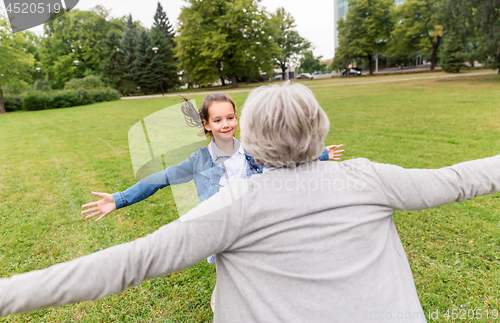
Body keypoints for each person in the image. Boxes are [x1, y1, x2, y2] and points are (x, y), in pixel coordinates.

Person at [1, 82, 499, 322]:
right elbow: (464, 178)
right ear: (320, 126)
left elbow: (130, 262)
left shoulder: (236, 203)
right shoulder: (367, 177)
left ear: (250, 135)